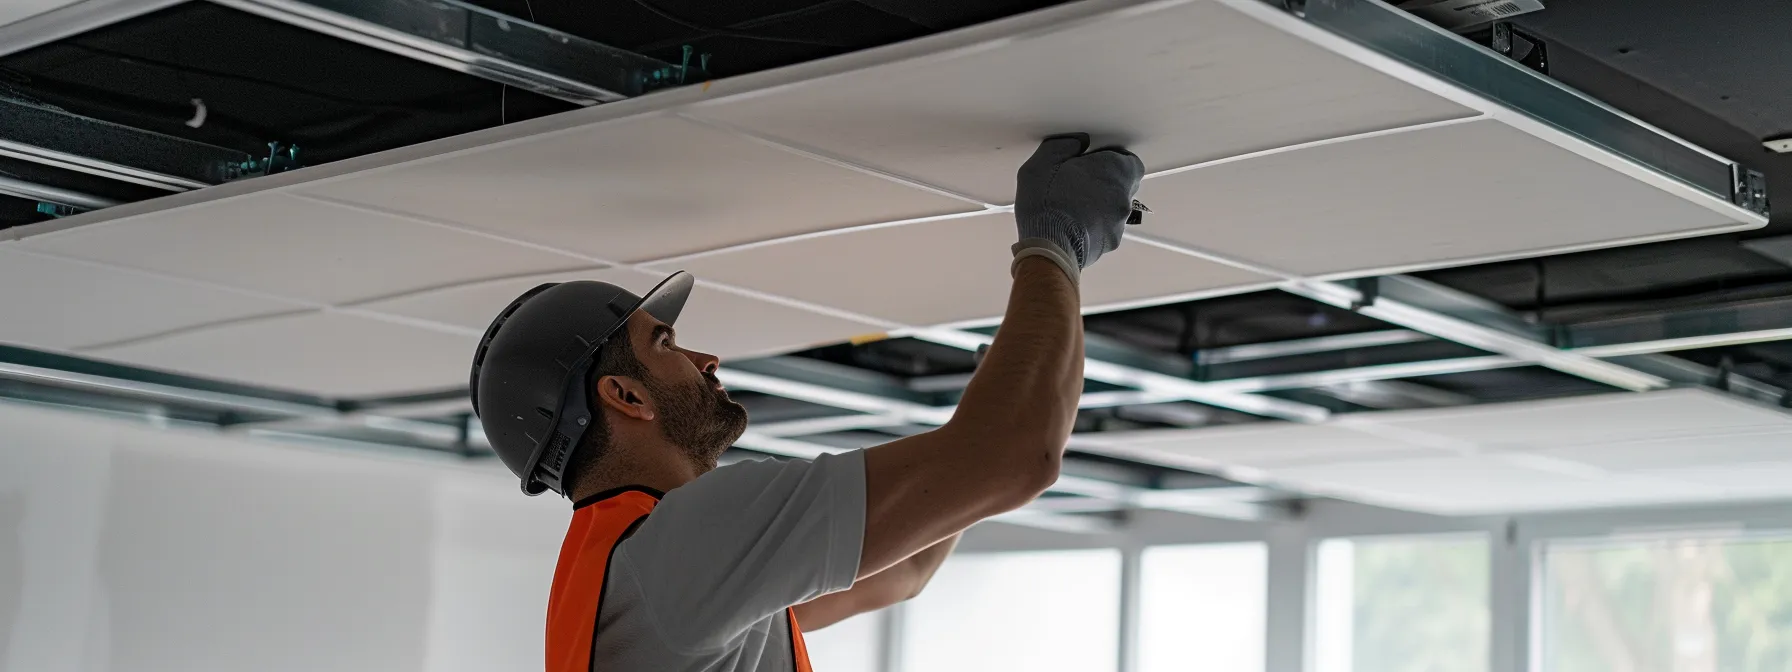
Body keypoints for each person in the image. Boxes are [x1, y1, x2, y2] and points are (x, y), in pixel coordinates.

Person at [469, 133, 1145, 671]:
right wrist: (1054, 246)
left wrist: (1016, 368)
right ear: (623, 395)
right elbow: (1014, 458)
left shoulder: (650, 571)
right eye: (668, 344)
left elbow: (904, 567)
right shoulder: (678, 549)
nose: (707, 361)